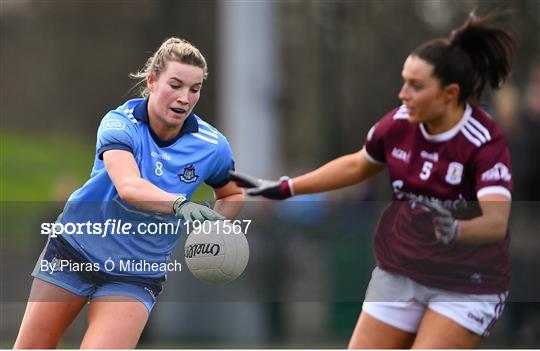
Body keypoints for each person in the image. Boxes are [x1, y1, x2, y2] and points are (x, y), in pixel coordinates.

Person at [231, 13, 515, 349]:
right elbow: (356, 165)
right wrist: (286, 188)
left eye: (416, 85)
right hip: (404, 271)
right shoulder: (398, 124)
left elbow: (495, 224)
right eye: (404, 80)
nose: (403, 93)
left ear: (450, 94)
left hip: (466, 282)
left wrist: (454, 230)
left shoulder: (482, 140)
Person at [14, 37, 243, 349]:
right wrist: (180, 205)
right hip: (75, 250)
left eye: (195, 89)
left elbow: (232, 194)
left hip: (136, 274)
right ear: (151, 81)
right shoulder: (120, 123)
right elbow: (129, 187)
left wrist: (212, 228)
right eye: (175, 85)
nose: (185, 98)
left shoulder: (212, 146)